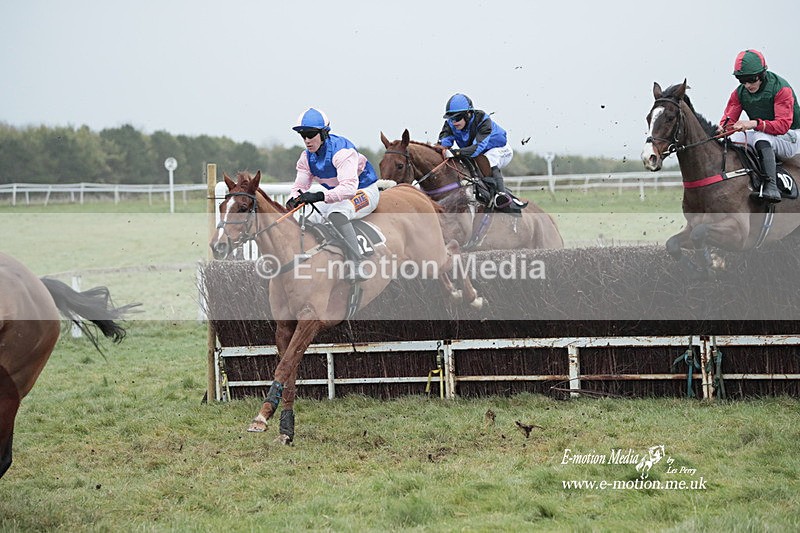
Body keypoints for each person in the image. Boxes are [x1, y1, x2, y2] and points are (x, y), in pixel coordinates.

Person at [286, 107, 379, 281]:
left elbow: (349, 189)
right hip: (338, 194)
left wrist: (319, 196)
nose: (306, 140)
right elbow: (300, 186)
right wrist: (294, 199)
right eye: (303, 135)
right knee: (307, 218)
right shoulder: (306, 158)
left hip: (363, 190)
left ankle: (357, 264)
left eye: (310, 134)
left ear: (324, 133)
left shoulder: (342, 152)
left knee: (337, 214)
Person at [719, 49, 800, 203]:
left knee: (760, 137)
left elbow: (782, 126)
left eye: (751, 79)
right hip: (765, 133)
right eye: (742, 80)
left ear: (762, 74)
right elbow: (727, 124)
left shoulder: (781, 88)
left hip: (791, 136)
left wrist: (753, 123)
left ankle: (772, 187)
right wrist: (720, 130)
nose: (747, 85)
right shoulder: (739, 93)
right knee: (734, 139)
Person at [437, 93, 518, 211]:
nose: (454, 122)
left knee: (489, 158)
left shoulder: (483, 120)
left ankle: (501, 195)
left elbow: (477, 149)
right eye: (451, 118)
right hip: (475, 153)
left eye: (457, 118)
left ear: (468, 114)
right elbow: (443, 144)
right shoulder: (450, 124)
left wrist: (455, 153)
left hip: (500, 150)